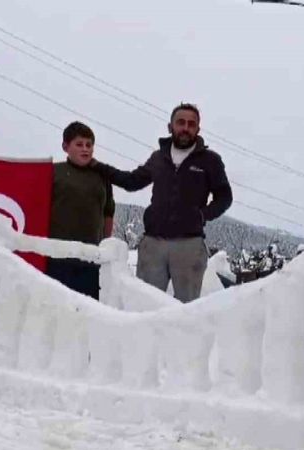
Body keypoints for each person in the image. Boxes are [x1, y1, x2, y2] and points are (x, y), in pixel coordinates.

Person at [95, 103, 232, 302]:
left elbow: (224, 197)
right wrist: (98, 167)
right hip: (153, 244)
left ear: (198, 129)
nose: (186, 128)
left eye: (191, 124)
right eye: (181, 122)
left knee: (187, 308)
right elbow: (132, 181)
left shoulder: (210, 160)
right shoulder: (159, 158)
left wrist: (202, 215)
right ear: (170, 127)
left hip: (189, 245)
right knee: (146, 304)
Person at [46, 121, 115, 300]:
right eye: (79, 144)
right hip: (57, 255)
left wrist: (105, 245)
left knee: (88, 307)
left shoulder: (102, 176)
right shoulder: (53, 172)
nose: (85, 149)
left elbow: (108, 212)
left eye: (89, 145)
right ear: (65, 146)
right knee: (57, 304)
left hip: (91, 255)